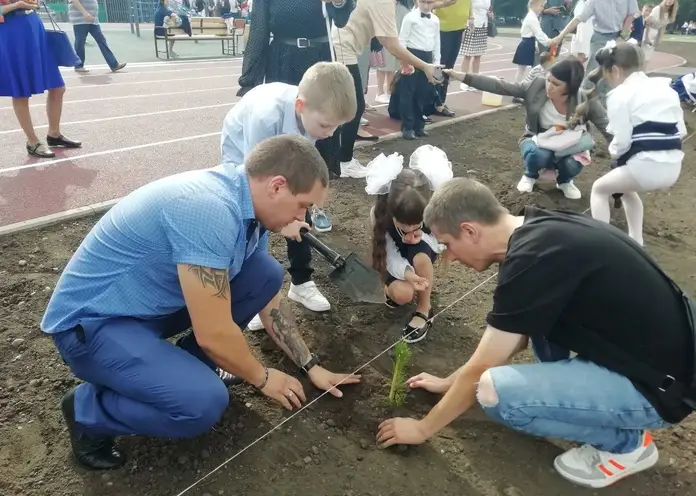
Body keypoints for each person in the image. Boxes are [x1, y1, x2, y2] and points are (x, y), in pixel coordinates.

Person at [41, 135, 361, 470]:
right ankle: (87, 412)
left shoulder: (250, 211)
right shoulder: (208, 210)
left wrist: (310, 366)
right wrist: (263, 377)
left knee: (264, 273)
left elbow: (269, 302)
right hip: (93, 327)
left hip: (147, 307)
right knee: (202, 403)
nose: (304, 217)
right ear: (278, 186)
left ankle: (196, 367)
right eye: (303, 204)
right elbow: (212, 331)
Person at [377, 177, 696, 490]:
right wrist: (449, 383)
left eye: (448, 245)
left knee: (495, 391)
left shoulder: (531, 260)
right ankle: (587, 401)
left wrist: (421, 428)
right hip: (660, 356)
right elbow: (516, 337)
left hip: (663, 387)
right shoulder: (537, 230)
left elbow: (482, 368)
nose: (450, 258)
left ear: (470, 230)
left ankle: (626, 445)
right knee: (538, 328)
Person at [220, 61, 357, 331]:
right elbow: (259, 182)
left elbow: (298, 180)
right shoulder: (265, 115)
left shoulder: (315, 116)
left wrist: (297, 214)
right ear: (300, 107)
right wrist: (283, 222)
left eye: (336, 128)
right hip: (245, 160)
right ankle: (252, 298)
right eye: (326, 126)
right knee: (253, 227)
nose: (329, 133)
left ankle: (301, 282)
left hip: (280, 153)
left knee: (298, 201)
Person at [444, 56, 612, 200]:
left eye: (556, 84)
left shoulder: (585, 99)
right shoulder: (535, 86)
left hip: (569, 146)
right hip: (537, 139)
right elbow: (500, 86)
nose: (549, 86)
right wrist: (461, 76)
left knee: (571, 164)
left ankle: (565, 181)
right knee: (538, 155)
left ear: (571, 87)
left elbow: (608, 127)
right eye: (548, 79)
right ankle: (530, 175)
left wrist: (623, 158)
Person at [237, 0, 354, 179]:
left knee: (323, 123)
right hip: (283, 60)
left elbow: (340, 19)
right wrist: (249, 80)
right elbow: (258, 30)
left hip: (320, 58)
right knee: (284, 131)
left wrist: (339, 2)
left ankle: (310, 194)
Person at [589, 42, 685, 247]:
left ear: (615, 70)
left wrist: (614, 155)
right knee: (626, 190)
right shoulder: (666, 88)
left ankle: (601, 246)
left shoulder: (618, 95)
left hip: (646, 168)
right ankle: (636, 242)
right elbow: (681, 131)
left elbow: (621, 143)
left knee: (599, 189)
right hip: (673, 167)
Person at [331, 0, 439, 176]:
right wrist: (425, 66)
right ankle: (343, 162)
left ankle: (340, 159)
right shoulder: (384, 1)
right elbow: (390, 43)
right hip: (343, 46)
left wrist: (404, 63)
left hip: (343, 45)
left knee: (351, 105)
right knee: (354, 105)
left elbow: (386, 39)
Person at [366, 148, 452, 343]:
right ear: (391, 208)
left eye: (417, 222)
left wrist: (423, 238)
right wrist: (407, 274)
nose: (411, 227)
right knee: (403, 295)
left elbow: (442, 246)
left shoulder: (434, 211)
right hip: (392, 259)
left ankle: (424, 309)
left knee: (421, 256)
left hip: (419, 255)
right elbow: (388, 253)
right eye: (404, 223)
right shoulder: (379, 213)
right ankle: (391, 289)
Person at [0, 0, 82, 159]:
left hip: (34, 28)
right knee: (21, 91)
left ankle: (54, 134)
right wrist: (16, 5)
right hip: (11, 33)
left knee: (58, 87)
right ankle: (32, 141)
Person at [551, 0, 640, 106]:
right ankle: (581, 101)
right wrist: (560, 37)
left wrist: (623, 36)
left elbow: (632, 14)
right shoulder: (593, 1)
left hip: (620, 35)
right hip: (600, 36)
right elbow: (578, 18)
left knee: (615, 71)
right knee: (594, 70)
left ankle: (606, 103)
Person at [397, 0, 442, 139]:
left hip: (428, 58)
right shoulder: (409, 17)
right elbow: (402, 40)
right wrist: (404, 61)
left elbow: (436, 41)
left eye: (430, 2)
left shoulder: (435, 20)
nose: (426, 5)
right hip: (412, 55)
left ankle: (419, 125)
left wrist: (436, 62)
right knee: (408, 93)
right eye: (423, 2)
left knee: (422, 93)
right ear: (418, 1)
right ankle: (407, 127)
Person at [69, 0, 127, 73]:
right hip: (80, 19)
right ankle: (78, 65)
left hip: (93, 20)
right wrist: (85, 13)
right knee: (80, 42)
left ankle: (114, 65)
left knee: (102, 41)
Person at [432, 0, 469, 113]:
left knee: (449, 68)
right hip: (443, 28)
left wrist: (468, 18)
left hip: (459, 28)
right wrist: (444, 4)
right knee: (439, 67)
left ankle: (441, 102)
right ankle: (433, 102)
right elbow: (425, 3)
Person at [513, 0, 551, 84]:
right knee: (522, 70)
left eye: (543, 6)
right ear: (533, 4)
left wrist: (536, 45)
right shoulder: (531, 18)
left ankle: (519, 88)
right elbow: (539, 33)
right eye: (541, 6)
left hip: (529, 43)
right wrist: (549, 42)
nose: (542, 8)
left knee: (525, 69)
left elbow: (535, 34)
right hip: (526, 44)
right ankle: (516, 89)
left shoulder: (533, 16)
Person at [458, 0, 490, 92]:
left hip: (483, 25)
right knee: (467, 54)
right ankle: (463, 80)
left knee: (478, 55)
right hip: (472, 25)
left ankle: (475, 81)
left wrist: (489, 13)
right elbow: (466, 7)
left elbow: (486, 9)